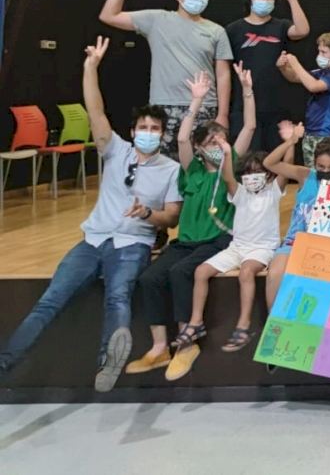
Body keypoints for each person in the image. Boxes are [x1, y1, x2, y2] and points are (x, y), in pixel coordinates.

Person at [0, 37, 181, 392]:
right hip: (93, 239)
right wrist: (90, 68)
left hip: (132, 244)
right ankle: (6, 362)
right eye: (143, 128)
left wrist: (148, 213)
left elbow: (172, 218)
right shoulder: (116, 151)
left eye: (154, 129)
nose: (148, 133)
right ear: (133, 131)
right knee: (49, 300)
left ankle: (107, 363)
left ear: (162, 135)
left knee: (118, 295)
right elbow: (95, 112)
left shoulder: (171, 169)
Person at [125, 65, 257, 381]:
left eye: (221, 141)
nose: (217, 146)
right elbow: (183, 137)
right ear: (199, 149)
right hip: (186, 241)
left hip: (217, 240)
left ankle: (188, 342)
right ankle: (159, 347)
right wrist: (196, 101)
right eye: (210, 142)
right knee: (150, 277)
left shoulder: (229, 167)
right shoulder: (192, 171)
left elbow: (250, 126)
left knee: (181, 272)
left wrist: (247, 91)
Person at [99, 0, 234, 157]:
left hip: (204, 107)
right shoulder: (157, 19)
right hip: (163, 106)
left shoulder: (216, 31)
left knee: (201, 165)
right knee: (162, 163)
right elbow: (109, 15)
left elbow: (223, 74)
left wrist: (222, 114)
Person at [184, 149, 286, 367]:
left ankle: (243, 324)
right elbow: (228, 176)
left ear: (269, 174)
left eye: (258, 172)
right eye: (248, 172)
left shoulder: (274, 191)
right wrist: (227, 154)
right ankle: (196, 321)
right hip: (237, 247)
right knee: (201, 272)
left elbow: (286, 166)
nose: (252, 176)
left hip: (262, 248)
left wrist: (291, 141)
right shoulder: (239, 193)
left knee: (246, 271)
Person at [262, 125, 330, 311]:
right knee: (275, 274)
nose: (325, 171)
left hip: (327, 246)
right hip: (294, 242)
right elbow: (269, 163)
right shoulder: (305, 176)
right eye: (321, 166)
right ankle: (273, 322)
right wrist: (291, 142)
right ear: (314, 164)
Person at [225, 0, 311, 152]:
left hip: (277, 107)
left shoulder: (281, 26)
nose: (264, 0)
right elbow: (223, 70)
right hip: (244, 106)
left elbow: (302, 30)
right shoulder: (233, 30)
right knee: (246, 160)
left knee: (277, 159)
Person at [276, 32, 330, 167]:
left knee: (326, 174)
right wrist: (283, 67)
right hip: (311, 132)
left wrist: (295, 63)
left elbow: (314, 86)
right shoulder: (321, 72)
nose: (319, 56)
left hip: (327, 133)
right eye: (319, 51)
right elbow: (295, 77)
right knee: (310, 174)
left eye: (324, 52)